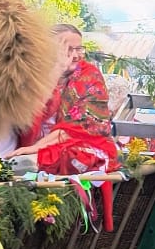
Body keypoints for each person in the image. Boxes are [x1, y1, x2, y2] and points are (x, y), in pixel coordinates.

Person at [17, 23, 113, 167]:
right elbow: (26, 115)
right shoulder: (34, 74)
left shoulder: (90, 75)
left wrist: (36, 149)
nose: (75, 55)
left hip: (75, 144)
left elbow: (80, 126)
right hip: (31, 146)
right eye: (67, 49)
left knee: (71, 158)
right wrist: (57, 70)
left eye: (78, 49)